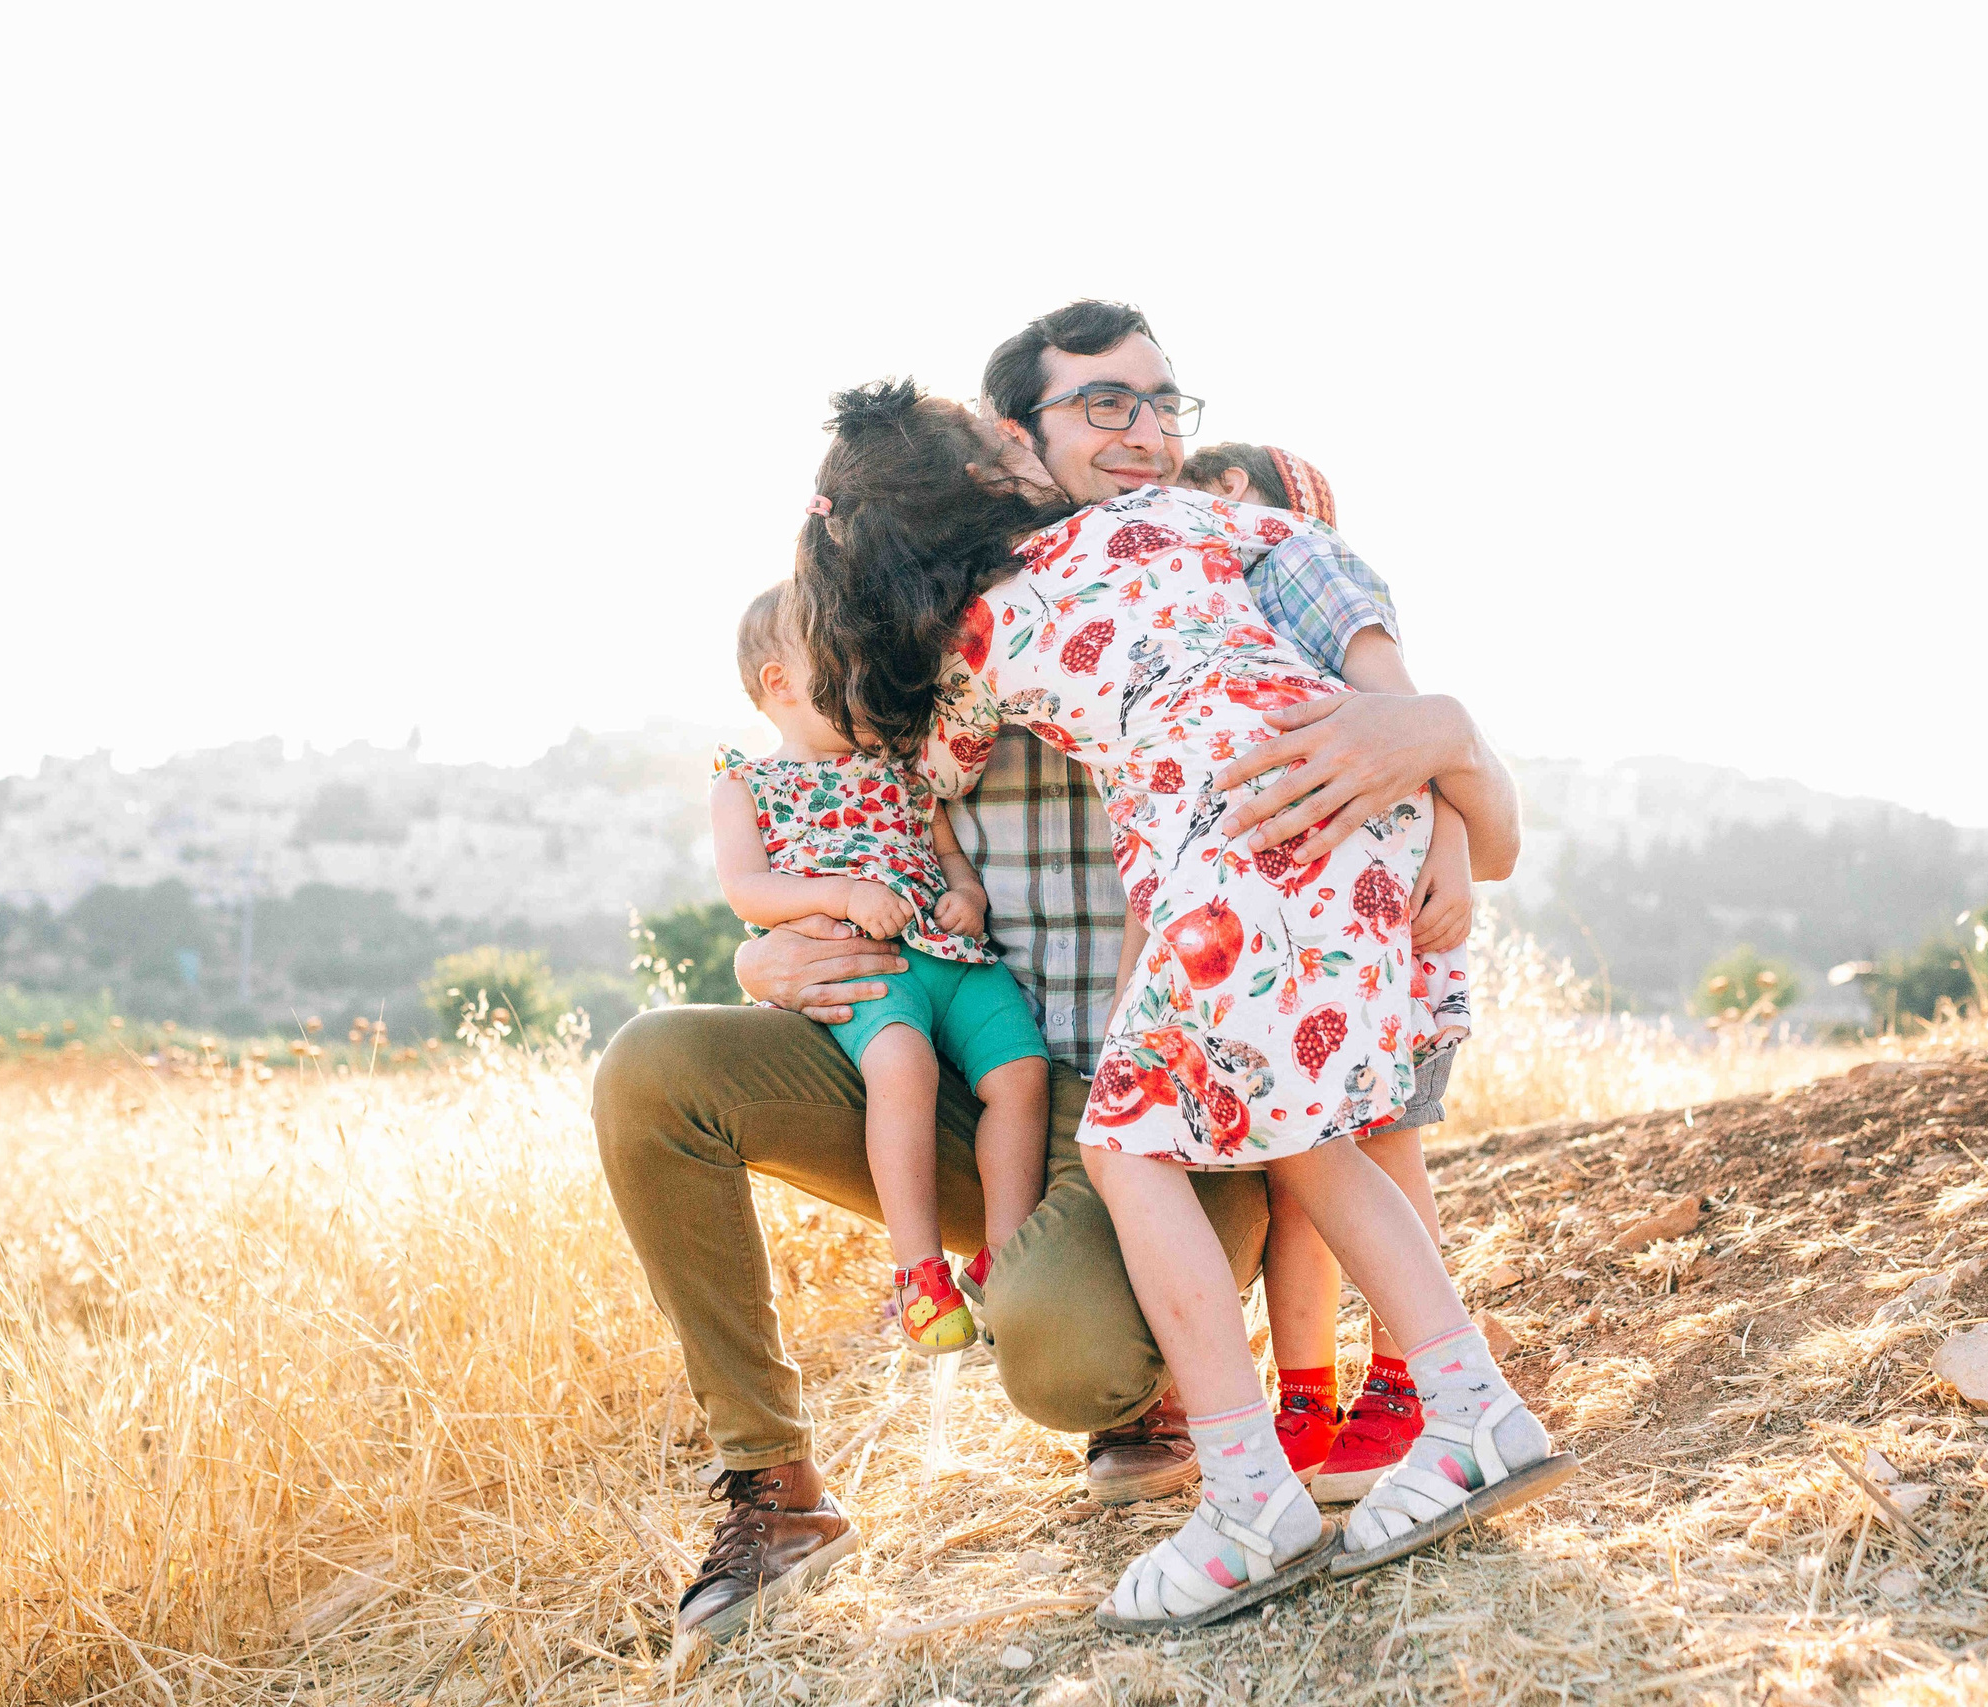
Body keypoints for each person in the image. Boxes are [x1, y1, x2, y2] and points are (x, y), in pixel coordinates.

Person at [594, 299, 1525, 1644]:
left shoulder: (1023, 613)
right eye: (1105, 405)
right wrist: (769, 933)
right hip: (1025, 1036)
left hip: (1197, 977)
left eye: (1163, 404)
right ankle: (773, 1482)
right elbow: (830, 788)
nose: (1144, 432)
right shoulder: (1142, 552)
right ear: (1014, 449)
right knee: (659, 1069)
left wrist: (1435, 734)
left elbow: (1479, 820)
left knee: (1111, 1246)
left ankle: (1247, 1455)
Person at [796, 377, 1576, 1629]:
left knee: (1122, 1145)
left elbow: (934, 763)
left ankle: (1244, 1494)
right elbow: (1311, 552)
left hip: (1244, 845)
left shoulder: (975, 637)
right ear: (999, 471)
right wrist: (1430, 738)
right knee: (1304, 1141)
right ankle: (1473, 1417)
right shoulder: (1169, 521)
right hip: (1354, 792)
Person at [1173, 444, 1475, 1499]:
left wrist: (1450, 846)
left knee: (1383, 1147)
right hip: (1283, 931)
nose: (1198, 507)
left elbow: (1407, 722)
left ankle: (1407, 1384)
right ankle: (1305, 1395)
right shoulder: (1195, 606)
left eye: (1222, 489)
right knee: (1299, 1168)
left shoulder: (1302, 566)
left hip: (1374, 928)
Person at [711, 581, 1051, 1353]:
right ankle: (919, 1271)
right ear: (782, 683)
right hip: (864, 965)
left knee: (1021, 1072)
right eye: (851, 666)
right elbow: (748, 888)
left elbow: (946, 851)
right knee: (901, 1064)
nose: (873, 683)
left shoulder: (901, 765)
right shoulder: (746, 785)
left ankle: (1002, 1256)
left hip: (953, 954)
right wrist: (845, 892)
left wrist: (964, 894)